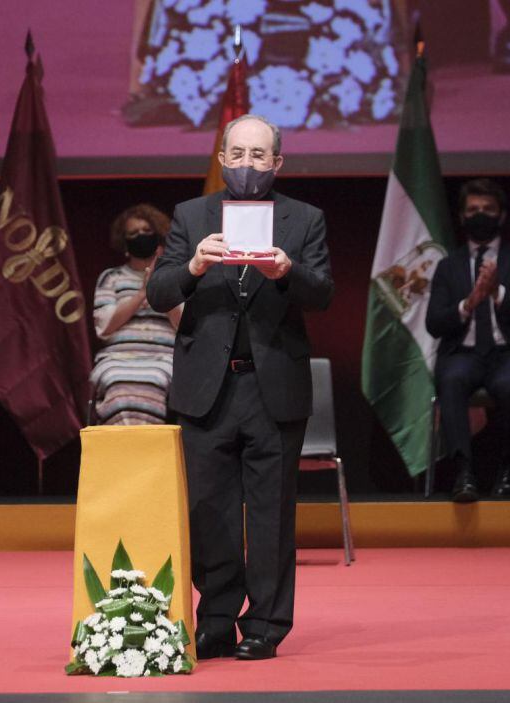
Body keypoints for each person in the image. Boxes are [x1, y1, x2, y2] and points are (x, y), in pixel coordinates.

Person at [147, 114, 333, 660]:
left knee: (272, 513)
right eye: (239, 154)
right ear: (223, 159)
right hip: (208, 390)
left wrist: (288, 272)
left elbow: (322, 292)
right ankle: (217, 618)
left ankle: (267, 625)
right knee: (211, 511)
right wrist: (194, 266)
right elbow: (159, 291)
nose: (248, 164)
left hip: (272, 389)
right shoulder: (190, 216)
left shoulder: (305, 219)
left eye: (260, 156)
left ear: (277, 163)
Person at [425, 178, 510, 502]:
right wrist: (470, 303)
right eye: (473, 209)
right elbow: (434, 323)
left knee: (509, 386)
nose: (481, 215)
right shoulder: (448, 266)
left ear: (501, 216)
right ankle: (464, 473)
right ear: (462, 217)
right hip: (462, 353)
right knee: (451, 379)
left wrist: (498, 293)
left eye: (488, 210)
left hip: (509, 354)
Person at [90, 205, 182, 424]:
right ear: (125, 244)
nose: (140, 236)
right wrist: (142, 293)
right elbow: (104, 327)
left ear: (158, 237)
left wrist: (160, 288)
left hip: (162, 357)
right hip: (117, 358)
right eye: (133, 233)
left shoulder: (175, 277)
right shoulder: (110, 277)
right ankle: (124, 445)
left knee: (154, 380)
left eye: (146, 231)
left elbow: (184, 324)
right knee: (116, 381)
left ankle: (148, 447)